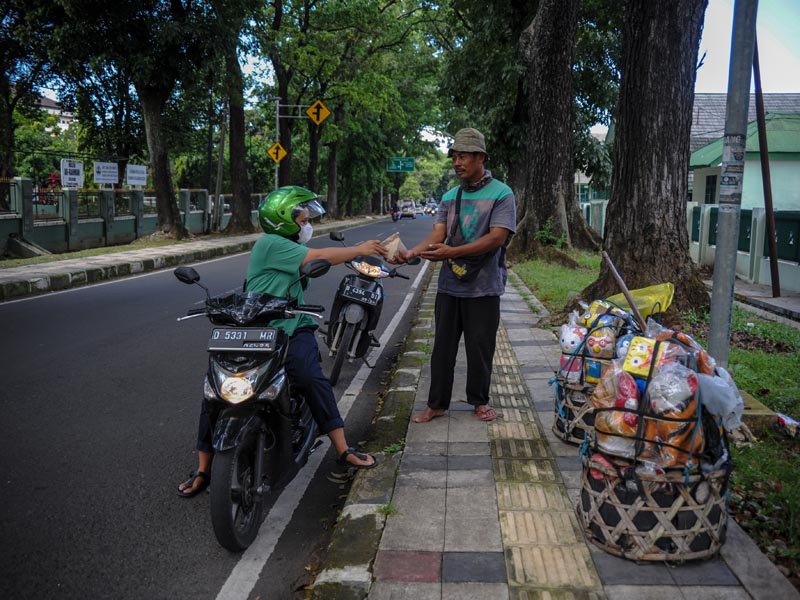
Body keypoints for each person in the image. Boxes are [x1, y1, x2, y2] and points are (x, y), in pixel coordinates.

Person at [178, 185, 387, 497]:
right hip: (254, 329)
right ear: (284, 219)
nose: (307, 223)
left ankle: (343, 449)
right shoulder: (271, 243)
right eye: (303, 218)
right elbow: (318, 257)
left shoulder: (285, 244)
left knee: (309, 376)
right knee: (216, 389)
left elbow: (314, 260)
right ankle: (204, 468)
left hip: (292, 327)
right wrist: (359, 248)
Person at [394, 128, 516, 424]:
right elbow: (439, 234)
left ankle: (479, 401)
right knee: (442, 348)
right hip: (450, 285)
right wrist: (411, 253)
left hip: (485, 286)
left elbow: (496, 239)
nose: (457, 162)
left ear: (480, 158)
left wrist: (451, 253)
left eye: (463, 157)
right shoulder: (451, 196)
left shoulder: (502, 194)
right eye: (455, 157)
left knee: (480, 348)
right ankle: (436, 404)